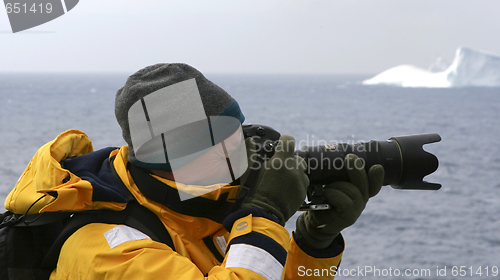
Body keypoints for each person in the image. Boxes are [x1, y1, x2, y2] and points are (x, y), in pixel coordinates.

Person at [4, 63, 384, 280]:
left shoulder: (199, 207)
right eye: (227, 140)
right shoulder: (105, 252)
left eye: (240, 132)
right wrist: (264, 214)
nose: (246, 149)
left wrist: (313, 246)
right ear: (181, 156)